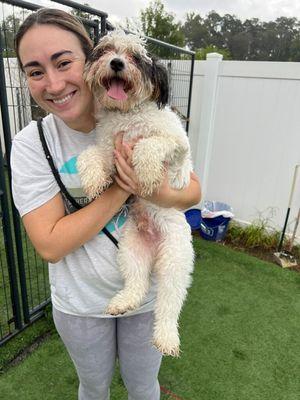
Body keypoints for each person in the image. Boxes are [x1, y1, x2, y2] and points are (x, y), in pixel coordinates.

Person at [11, 8, 201, 400]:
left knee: (143, 386)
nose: (54, 82)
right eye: (35, 71)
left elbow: (192, 190)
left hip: (148, 296)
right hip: (80, 301)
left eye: (64, 62)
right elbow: (49, 245)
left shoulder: (140, 110)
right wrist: (120, 187)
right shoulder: (31, 145)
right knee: (93, 388)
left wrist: (153, 187)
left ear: (87, 59)